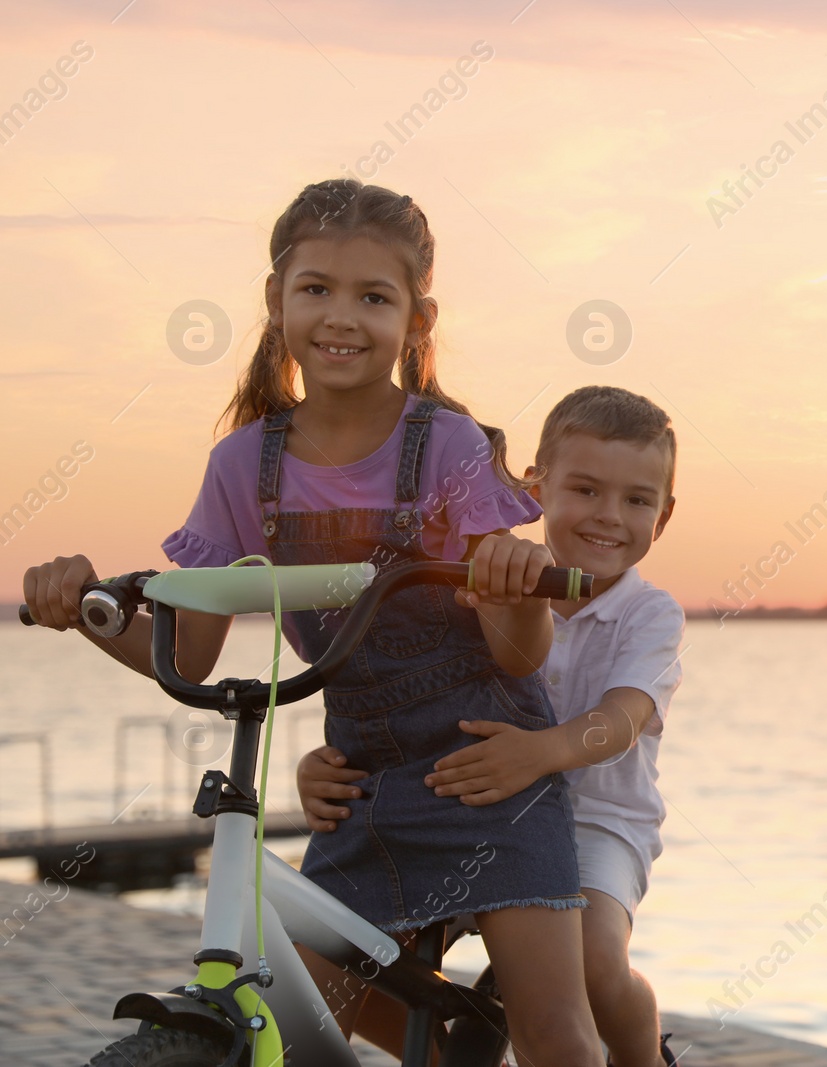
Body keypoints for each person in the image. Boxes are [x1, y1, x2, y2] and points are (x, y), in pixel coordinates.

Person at [23, 179, 603, 1067]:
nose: (343, 316)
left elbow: (519, 655)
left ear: (417, 318)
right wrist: (89, 611)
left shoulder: (446, 447)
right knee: (306, 1031)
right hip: (362, 781)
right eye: (318, 288)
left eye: (375, 296)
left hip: (493, 772)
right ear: (276, 302)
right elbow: (194, 647)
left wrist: (515, 590)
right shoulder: (242, 465)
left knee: (556, 1032)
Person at [300, 385, 685, 1067]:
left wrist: (541, 753)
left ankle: (639, 1047)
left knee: (597, 962)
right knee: (349, 959)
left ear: (665, 515)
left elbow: (622, 720)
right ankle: (449, 1055)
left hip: (597, 822)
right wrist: (325, 761)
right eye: (586, 489)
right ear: (534, 487)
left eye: (637, 499)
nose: (609, 516)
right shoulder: (485, 577)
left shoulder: (648, 614)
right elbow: (403, 696)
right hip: (475, 807)